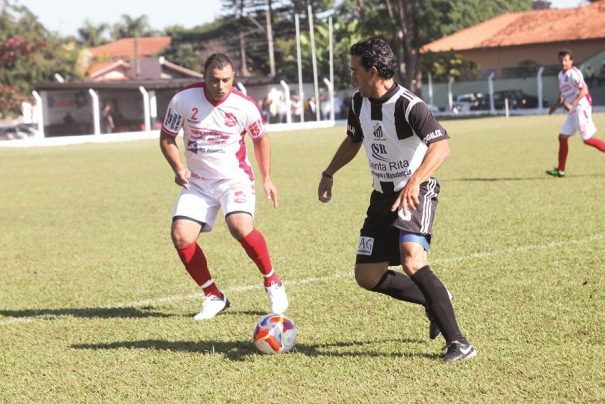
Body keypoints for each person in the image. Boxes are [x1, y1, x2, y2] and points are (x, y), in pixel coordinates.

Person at [317, 38, 476, 362]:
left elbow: (441, 146)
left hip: (416, 189)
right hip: (381, 195)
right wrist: (329, 172)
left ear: (373, 71)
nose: (352, 77)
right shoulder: (358, 103)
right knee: (367, 276)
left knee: (412, 258)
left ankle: (459, 343)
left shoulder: (408, 105)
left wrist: (415, 180)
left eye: (355, 71)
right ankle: (436, 297)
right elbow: (354, 139)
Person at [159, 53, 288, 320]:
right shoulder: (183, 100)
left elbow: (261, 140)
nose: (220, 86)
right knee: (181, 235)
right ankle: (213, 295)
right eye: (214, 80)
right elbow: (167, 138)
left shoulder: (245, 106)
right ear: (204, 78)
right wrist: (178, 167)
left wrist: (267, 178)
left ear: (233, 79)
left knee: (240, 226)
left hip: (234, 179)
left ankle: (272, 282)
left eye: (226, 80)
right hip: (197, 182)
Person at [547, 49, 605, 178]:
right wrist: (555, 105)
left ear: (571, 61)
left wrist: (572, 103)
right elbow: (563, 93)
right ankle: (561, 170)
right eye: (561, 60)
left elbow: (584, 90)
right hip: (573, 108)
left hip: (581, 106)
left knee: (587, 139)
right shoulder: (560, 75)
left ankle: (561, 169)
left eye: (566, 60)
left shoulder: (574, 73)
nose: (563, 62)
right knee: (562, 137)